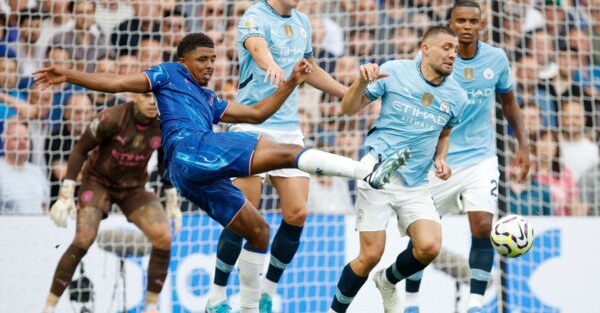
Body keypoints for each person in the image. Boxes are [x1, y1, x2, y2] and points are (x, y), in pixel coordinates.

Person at [33, 32, 407, 313]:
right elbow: (116, 84)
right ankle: (364, 172)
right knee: (287, 153)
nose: (211, 65)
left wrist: (292, 83)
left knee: (259, 232)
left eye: (214, 59)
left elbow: (258, 113)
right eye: (203, 59)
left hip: (193, 173)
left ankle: (238, 307)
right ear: (183, 61)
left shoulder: (209, 100)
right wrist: (67, 74)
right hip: (191, 150)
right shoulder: (167, 75)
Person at [208, 0, 351, 311]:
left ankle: (267, 292)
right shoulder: (252, 17)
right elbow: (257, 48)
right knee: (245, 216)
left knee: (298, 212)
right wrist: (271, 64)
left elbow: (308, 69)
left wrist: (344, 91)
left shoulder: (303, 22)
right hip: (251, 124)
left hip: (289, 130)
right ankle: (216, 295)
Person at [328, 25, 468, 313]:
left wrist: (441, 158)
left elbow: (444, 134)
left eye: (455, 49)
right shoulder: (394, 71)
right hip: (378, 172)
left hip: (416, 182)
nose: (452, 54)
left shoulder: (457, 97)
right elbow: (348, 109)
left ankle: (388, 280)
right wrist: (359, 82)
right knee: (369, 256)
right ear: (425, 49)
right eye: (446, 47)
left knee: (429, 247)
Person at [402, 1, 531, 313]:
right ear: (451, 23)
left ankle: (475, 304)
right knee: (424, 230)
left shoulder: (496, 59)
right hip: (439, 159)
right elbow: (412, 98)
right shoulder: (433, 56)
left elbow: (509, 104)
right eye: (461, 21)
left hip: (480, 157)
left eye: (473, 21)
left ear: (482, 24)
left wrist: (524, 146)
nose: (467, 26)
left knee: (483, 226)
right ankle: (410, 302)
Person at [41, 94, 182, 313]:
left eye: (157, 96)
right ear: (135, 96)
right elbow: (80, 149)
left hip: (133, 188)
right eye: (146, 96)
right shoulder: (112, 118)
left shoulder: (164, 124)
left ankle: (151, 307)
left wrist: (172, 199)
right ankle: (48, 307)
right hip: (98, 183)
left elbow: (165, 163)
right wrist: (66, 192)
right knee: (83, 239)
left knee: (164, 236)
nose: (153, 102)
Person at [0, 121, 49, 214]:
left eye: (26, 139)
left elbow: (45, 207)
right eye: (16, 139)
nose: (22, 142)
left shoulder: (37, 172)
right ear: (5, 143)